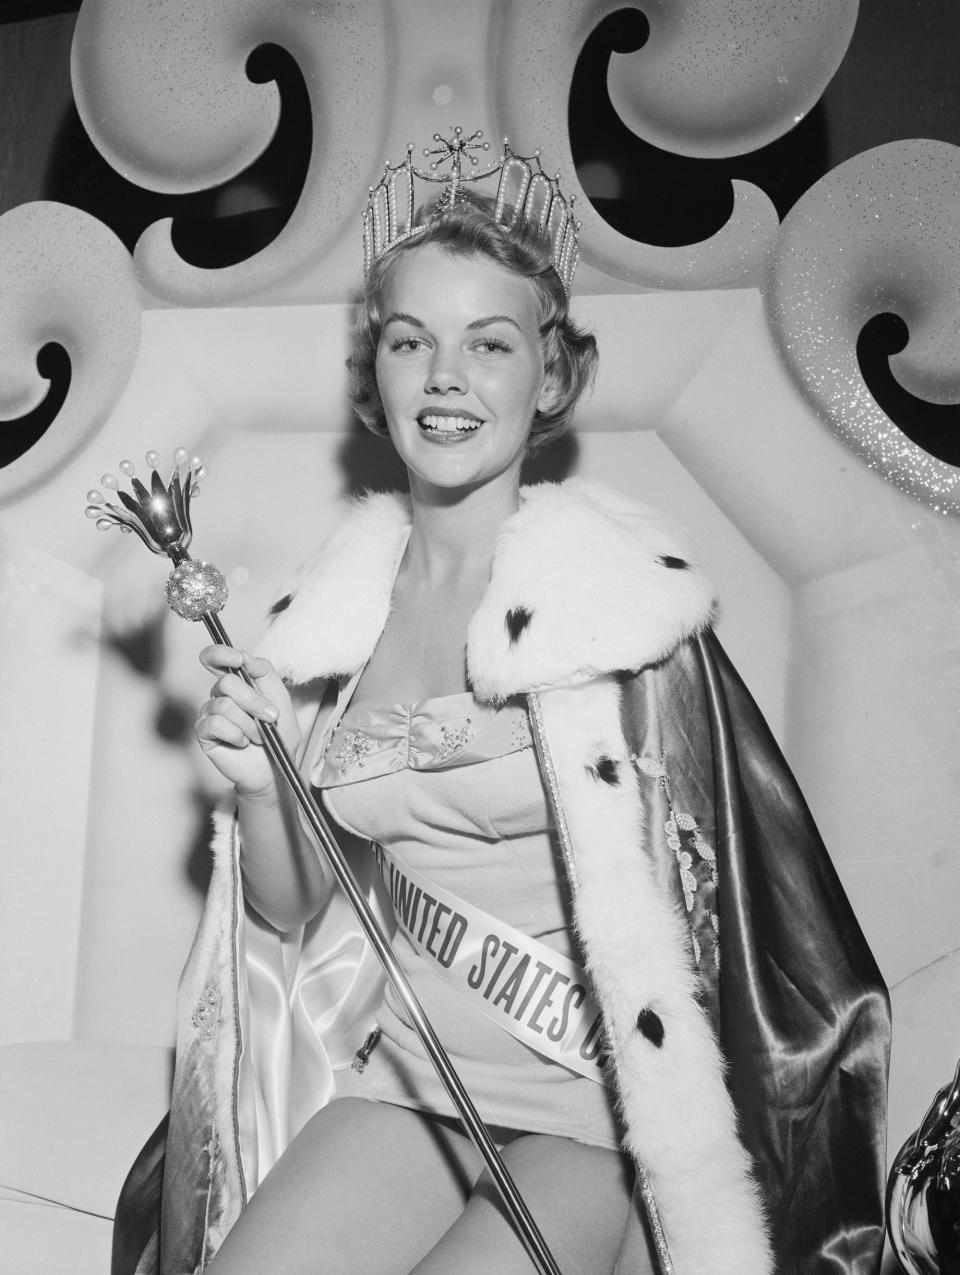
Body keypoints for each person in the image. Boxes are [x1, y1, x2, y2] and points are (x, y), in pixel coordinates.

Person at [115, 133, 890, 1275]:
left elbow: (775, 938)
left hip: (602, 1113)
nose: (445, 378)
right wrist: (260, 779)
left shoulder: (622, 616)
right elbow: (290, 906)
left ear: (552, 373)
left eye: (490, 343)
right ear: (372, 373)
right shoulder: (327, 621)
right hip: (415, 1084)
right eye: (409, 340)